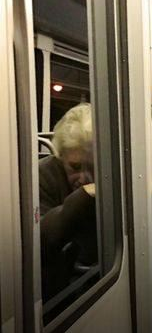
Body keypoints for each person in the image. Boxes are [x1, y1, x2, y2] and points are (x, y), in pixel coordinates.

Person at [39, 103, 97, 301]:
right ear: (61, 157)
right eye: (75, 167)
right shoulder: (44, 175)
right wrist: (83, 196)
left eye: (92, 167)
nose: (84, 177)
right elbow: (40, 240)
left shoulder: (110, 175)